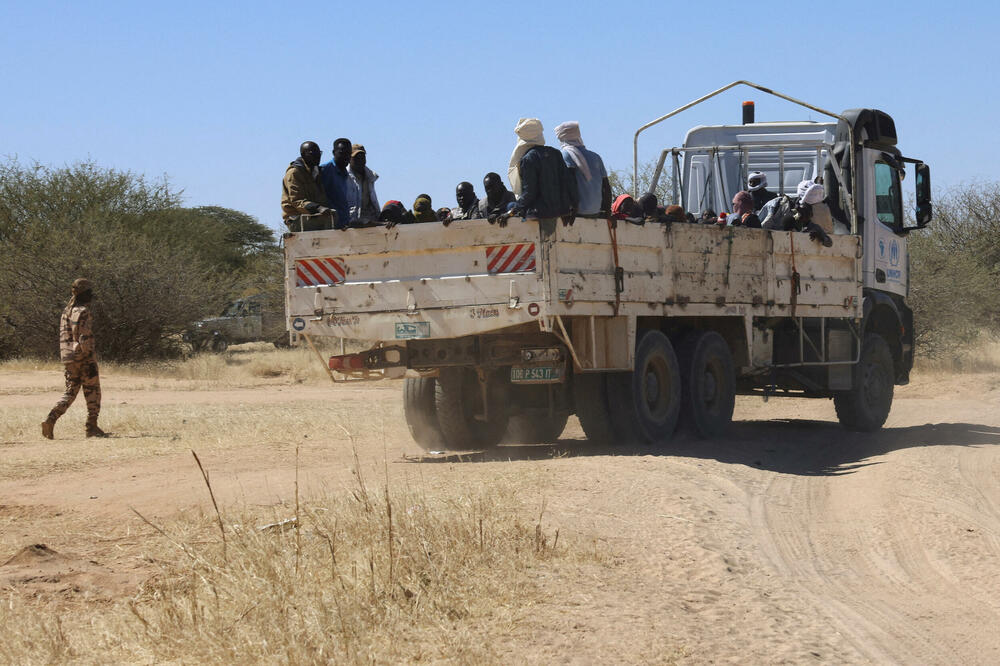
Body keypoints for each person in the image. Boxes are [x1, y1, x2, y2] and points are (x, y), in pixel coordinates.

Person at [41, 278, 108, 439]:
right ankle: (91, 426)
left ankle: (50, 419)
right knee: (93, 391)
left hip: (68, 357)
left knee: (71, 391)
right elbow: (84, 336)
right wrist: (89, 355)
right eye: (89, 292)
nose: (91, 295)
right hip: (83, 356)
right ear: (83, 293)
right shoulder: (83, 311)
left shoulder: (66, 311)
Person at [508, 118, 578, 224]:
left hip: (537, 213)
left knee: (510, 206)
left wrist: (512, 212)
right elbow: (569, 183)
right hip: (560, 212)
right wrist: (573, 208)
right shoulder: (556, 153)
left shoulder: (528, 159)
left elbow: (529, 193)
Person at [555, 121, 611, 216]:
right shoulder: (596, 157)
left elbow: (569, 184)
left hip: (577, 212)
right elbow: (606, 186)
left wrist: (571, 209)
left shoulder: (566, 154)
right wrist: (608, 212)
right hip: (595, 212)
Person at [281, 141, 336, 231]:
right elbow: (297, 201)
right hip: (296, 218)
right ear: (303, 154)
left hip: (314, 217)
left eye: (319, 153)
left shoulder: (316, 172)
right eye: (312, 154)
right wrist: (318, 208)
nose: (317, 156)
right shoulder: (294, 173)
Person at [319, 138, 353, 229]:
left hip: (344, 225)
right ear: (334, 152)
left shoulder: (345, 172)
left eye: (348, 154)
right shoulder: (325, 170)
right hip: (330, 226)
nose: (346, 157)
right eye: (342, 153)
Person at [346, 144, 380, 225]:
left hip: (371, 218)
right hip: (353, 221)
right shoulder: (345, 176)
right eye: (356, 158)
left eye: (362, 157)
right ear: (349, 159)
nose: (360, 160)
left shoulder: (370, 176)